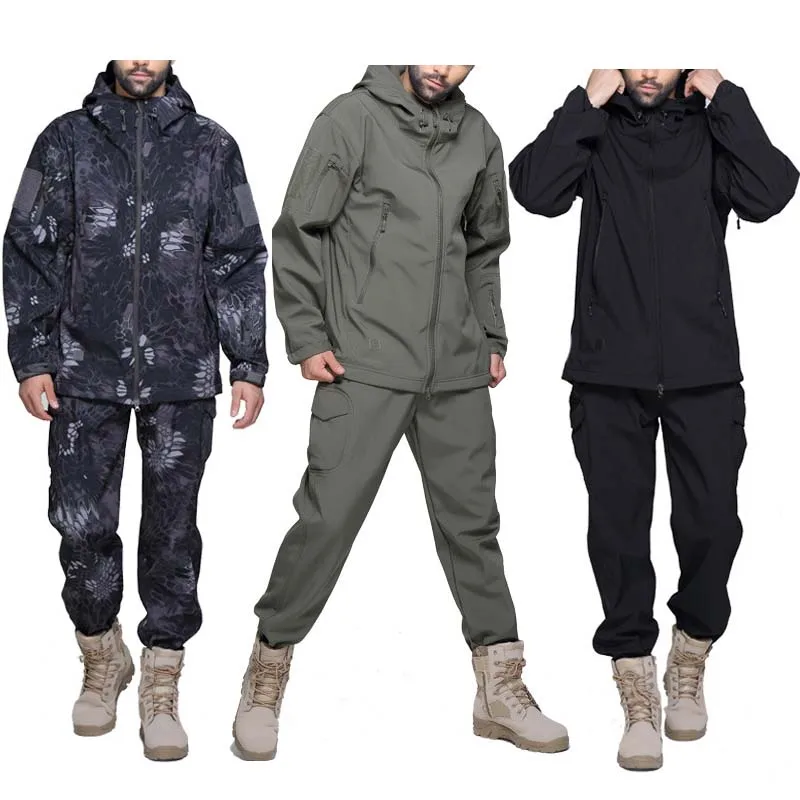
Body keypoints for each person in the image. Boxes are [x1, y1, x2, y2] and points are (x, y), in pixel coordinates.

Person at [231, 64, 568, 761]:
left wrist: (491, 335)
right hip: (364, 362)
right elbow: (299, 230)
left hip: (456, 369)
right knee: (327, 520)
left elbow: (485, 247)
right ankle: (266, 673)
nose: (443, 65)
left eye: (460, 55)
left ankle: (500, 689)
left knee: (474, 526)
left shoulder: (479, 135)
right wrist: (307, 336)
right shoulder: (349, 120)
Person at [509, 68, 798, 770]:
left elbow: (771, 192)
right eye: (633, 56)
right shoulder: (596, 128)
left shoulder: (711, 128)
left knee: (713, 525)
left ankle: (690, 654)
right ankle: (636, 686)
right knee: (617, 534)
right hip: (608, 370)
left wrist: (726, 98)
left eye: (661, 58)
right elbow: (536, 191)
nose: (645, 71)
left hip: (705, 369)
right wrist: (585, 102)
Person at [3, 59, 268, 761]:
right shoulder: (65, 140)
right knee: (80, 524)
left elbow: (238, 256)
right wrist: (32, 355)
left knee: (172, 533)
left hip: (183, 371)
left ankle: (161, 677)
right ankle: (101, 655)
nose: (142, 59)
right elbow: (28, 246)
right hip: (81, 369)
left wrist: (247, 360)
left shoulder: (212, 145)